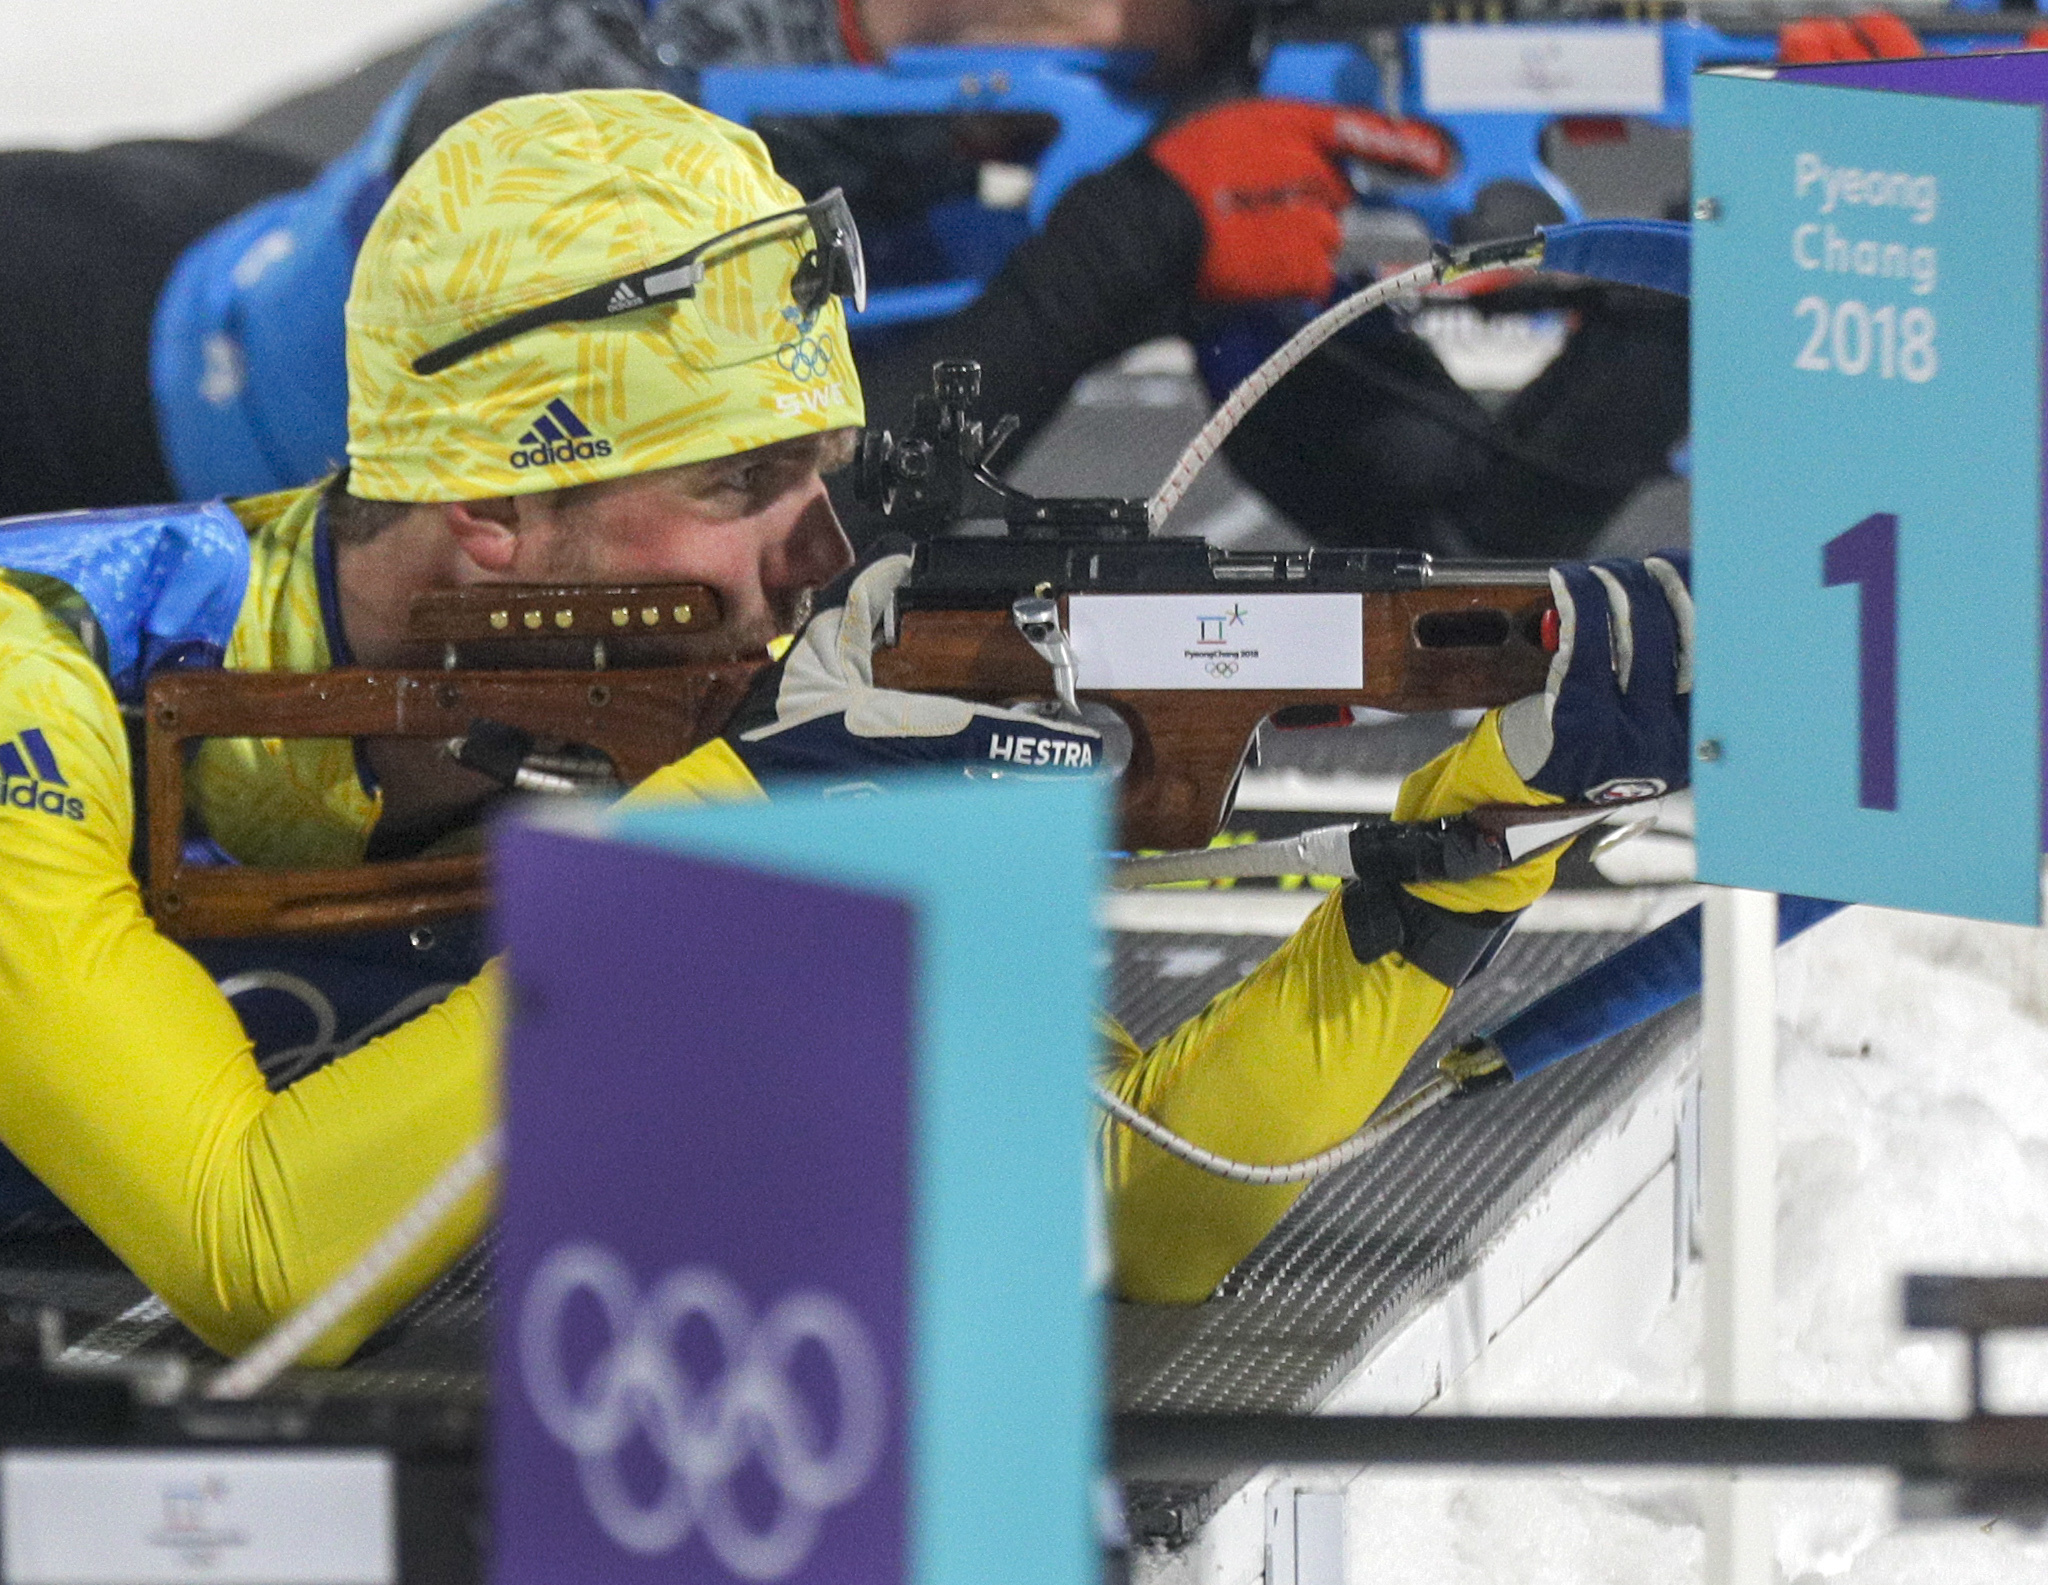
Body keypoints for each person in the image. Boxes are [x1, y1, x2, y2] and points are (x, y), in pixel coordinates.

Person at [0, 88, 1690, 1363]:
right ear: (487, 512)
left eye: (824, 472)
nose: (817, 557)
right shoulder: (47, 670)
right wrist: (733, 835)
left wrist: (1482, 839)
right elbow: (253, 1251)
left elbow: (1143, 1204)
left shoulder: (701, 716)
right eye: (740, 485)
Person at [0, 0, 1688, 563]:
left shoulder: (1137, 128)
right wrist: (1138, 240)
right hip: (98, 356)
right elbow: (723, 533)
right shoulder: (606, 62)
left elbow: (1460, 533)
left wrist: (1744, 222)